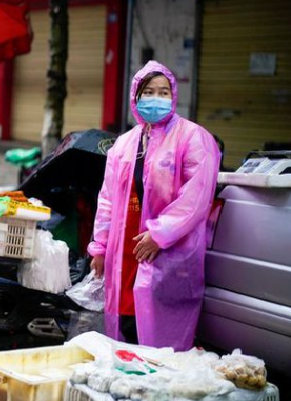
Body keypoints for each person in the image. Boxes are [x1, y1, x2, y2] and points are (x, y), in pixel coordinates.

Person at [88, 60, 220, 351]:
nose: (156, 98)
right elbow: (107, 198)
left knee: (160, 337)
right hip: (124, 249)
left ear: (173, 96)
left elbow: (195, 199)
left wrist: (159, 235)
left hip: (168, 253)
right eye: (149, 91)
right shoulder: (123, 144)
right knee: (124, 327)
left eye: (164, 92)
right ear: (136, 96)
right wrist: (100, 246)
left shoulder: (193, 138)